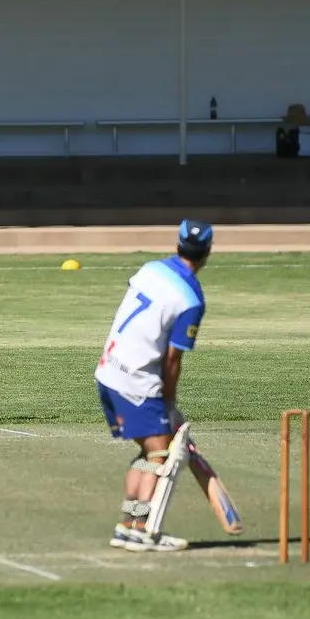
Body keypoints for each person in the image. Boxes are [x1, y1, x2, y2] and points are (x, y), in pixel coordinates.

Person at [94, 220, 213, 553]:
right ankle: (144, 531)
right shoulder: (191, 299)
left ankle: (128, 526)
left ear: (178, 244)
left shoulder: (150, 269)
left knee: (150, 451)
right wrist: (169, 405)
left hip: (108, 370)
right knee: (161, 454)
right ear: (207, 253)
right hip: (137, 379)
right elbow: (173, 360)